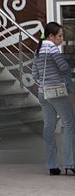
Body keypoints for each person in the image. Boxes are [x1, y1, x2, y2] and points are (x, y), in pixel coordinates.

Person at [31, 22, 74, 176]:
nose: (61, 39)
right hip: (56, 91)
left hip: (43, 93)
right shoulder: (52, 48)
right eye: (60, 36)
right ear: (51, 36)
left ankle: (52, 166)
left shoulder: (38, 50)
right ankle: (70, 163)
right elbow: (63, 67)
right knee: (69, 124)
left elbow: (34, 74)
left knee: (48, 127)